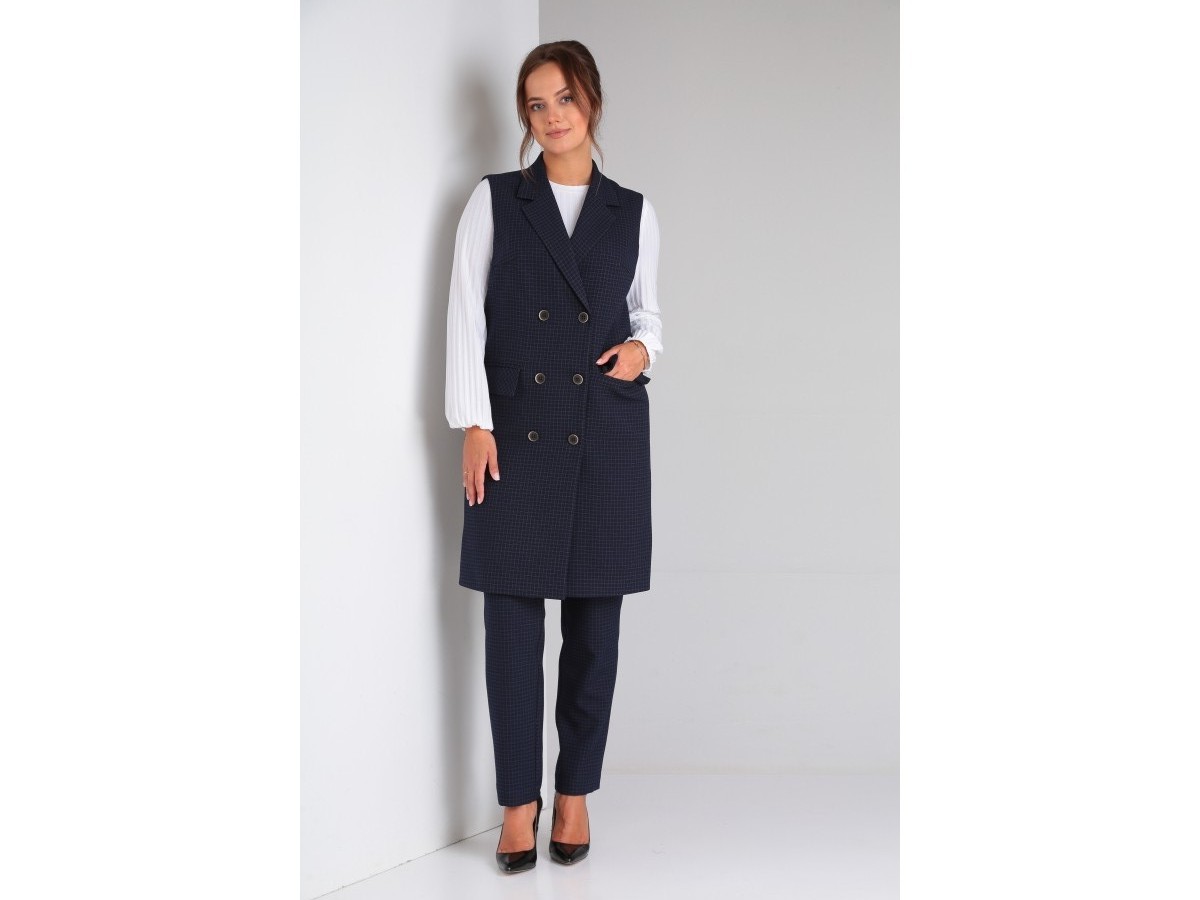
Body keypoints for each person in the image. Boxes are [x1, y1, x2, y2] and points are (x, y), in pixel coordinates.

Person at [444, 40, 663, 874]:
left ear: (591, 101)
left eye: (564, 98)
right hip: (516, 431)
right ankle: (518, 802)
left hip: (604, 432)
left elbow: (649, 315)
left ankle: (574, 792)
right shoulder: (496, 200)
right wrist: (474, 420)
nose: (552, 116)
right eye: (537, 105)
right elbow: (466, 314)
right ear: (526, 118)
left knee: (596, 627)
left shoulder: (633, 212)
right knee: (510, 621)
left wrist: (642, 351)